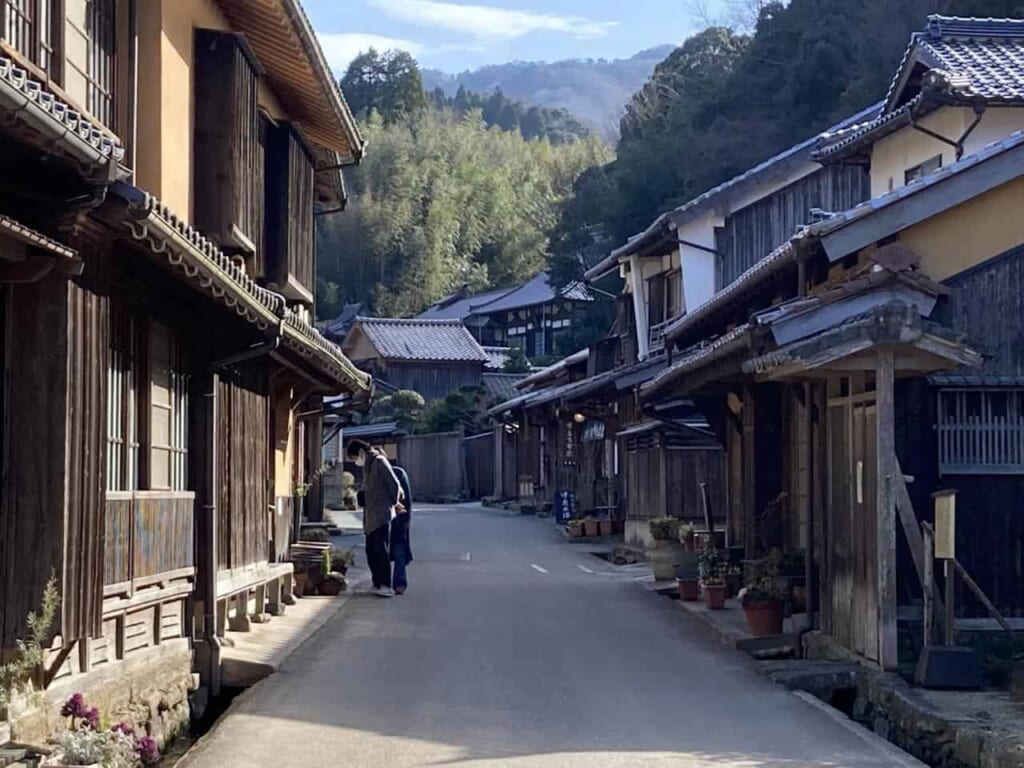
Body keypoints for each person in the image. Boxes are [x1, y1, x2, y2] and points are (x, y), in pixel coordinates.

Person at [347, 439, 402, 597]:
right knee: (371, 551)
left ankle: (386, 584)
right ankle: (377, 583)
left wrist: (394, 503)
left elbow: (394, 484)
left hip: (381, 514)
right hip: (370, 515)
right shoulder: (368, 465)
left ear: (361, 452)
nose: (355, 462)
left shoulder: (379, 462)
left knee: (380, 551)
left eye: (354, 457)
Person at [389, 462, 413, 595]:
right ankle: (393, 583)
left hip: (397, 518)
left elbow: (406, 500)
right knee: (397, 551)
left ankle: (397, 583)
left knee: (398, 551)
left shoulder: (397, 473)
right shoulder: (399, 473)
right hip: (388, 518)